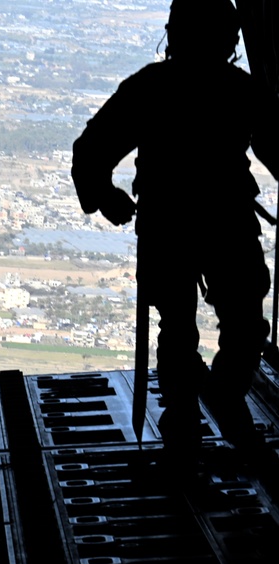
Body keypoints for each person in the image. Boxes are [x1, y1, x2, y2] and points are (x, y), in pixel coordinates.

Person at [71, 0, 279, 454]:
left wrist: (107, 198)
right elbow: (277, 149)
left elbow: (91, 151)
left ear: (173, 34)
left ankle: (187, 422)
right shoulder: (241, 91)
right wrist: (106, 196)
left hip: (170, 224)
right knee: (241, 326)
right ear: (231, 41)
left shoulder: (152, 88)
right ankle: (215, 403)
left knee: (181, 329)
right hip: (226, 221)